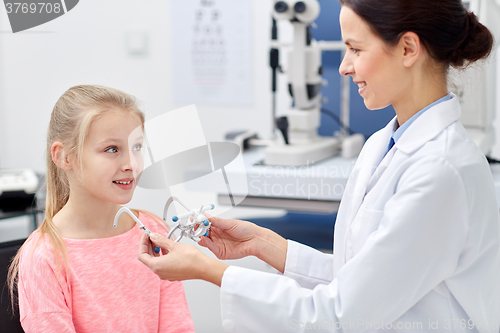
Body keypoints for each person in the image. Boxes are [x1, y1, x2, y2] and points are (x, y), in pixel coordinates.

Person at [138, 0, 500, 332]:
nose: (344, 67)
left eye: (355, 49)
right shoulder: (383, 144)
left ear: (408, 48)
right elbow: (358, 277)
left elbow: (342, 313)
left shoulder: (440, 171)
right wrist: (262, 242)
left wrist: (208, 270)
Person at [8, 85, 195, 332]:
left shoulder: (154, 231)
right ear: (64, 156)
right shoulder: (43, 256)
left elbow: (178, 327)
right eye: (112, 149)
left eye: (137, 147)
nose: (131, 164)